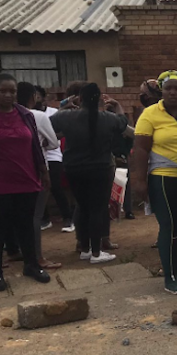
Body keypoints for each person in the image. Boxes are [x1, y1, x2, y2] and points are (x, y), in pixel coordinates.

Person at [130, 71, 177, 294]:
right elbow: (141, 149)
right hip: (163, 178)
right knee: (169, 225)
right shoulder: (150, 114)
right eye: (168, 88)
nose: (173, 92)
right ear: (161, 91)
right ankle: (169, 276)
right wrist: (139, 180)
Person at [50, 82, 128, 264]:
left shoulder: (67, 117)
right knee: (97, 209)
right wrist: (117, 106)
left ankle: (84, 248)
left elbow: (49, 124)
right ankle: (96, 252)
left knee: (83, 206)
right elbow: (123, 123)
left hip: (73, 168)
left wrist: (64, 107)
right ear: (99, 99)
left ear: (80, 99)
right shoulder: (108, 118)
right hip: (100, 168)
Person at [0, 73, 52, 291]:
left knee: (26, 225)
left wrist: (43, 171)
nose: (8, 95)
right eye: (3, 91)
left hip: (26, 179)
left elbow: (35, 144)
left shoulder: (25, 115)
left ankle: (31, 265)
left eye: (12, 91)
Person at [16, 83, 61, 269]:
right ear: (33, 97)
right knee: (35, 215)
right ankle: (37, 257)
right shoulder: (38, 116)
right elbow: (54, 143)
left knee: (17, 215)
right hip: (38, 168)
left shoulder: (7, 116)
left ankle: (18, 251)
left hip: (13, 170)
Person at [34, 86, 75, 232]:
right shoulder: (29, 114)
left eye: (38, 96)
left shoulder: (53, 112)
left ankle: (68, 218)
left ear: (43, 98)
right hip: (37, 155)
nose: (36, 99)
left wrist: (49, 138)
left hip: (53, 154)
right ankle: (45, 219)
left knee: (55, 186)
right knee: (38, 187)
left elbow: (62, 132)